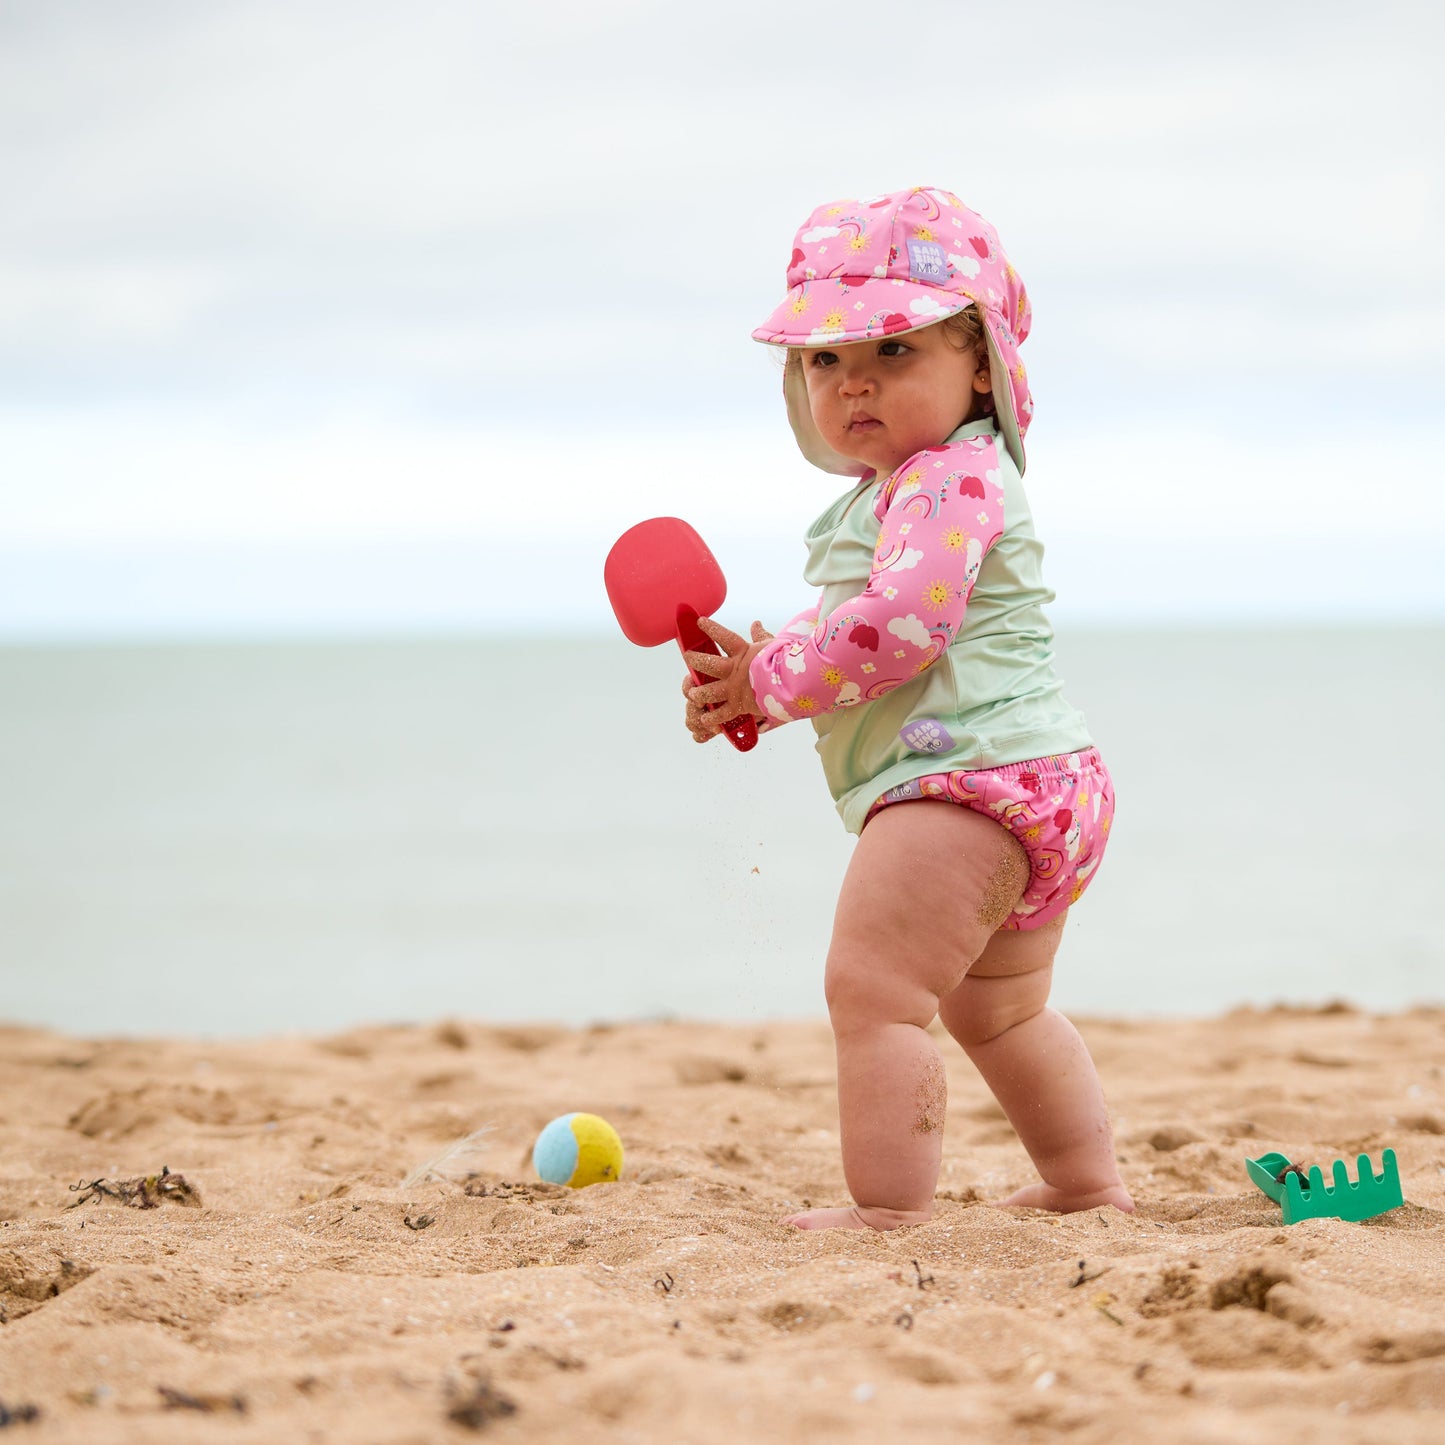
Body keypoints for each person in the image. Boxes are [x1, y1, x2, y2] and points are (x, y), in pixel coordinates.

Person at [683, 187, 1135, 1231]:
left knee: (871, 990)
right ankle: (1083, 1182)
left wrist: (772, 682)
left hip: (964, 781)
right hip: (1041, 775)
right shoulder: (923, 485)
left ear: (979, 363)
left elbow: (898, 627)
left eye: (892, 350)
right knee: (1000, 1009)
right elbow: (866, 613)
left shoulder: (944, 479)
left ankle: (888, 1207)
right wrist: (764, 673)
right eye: (825, 359)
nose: (854, 382)